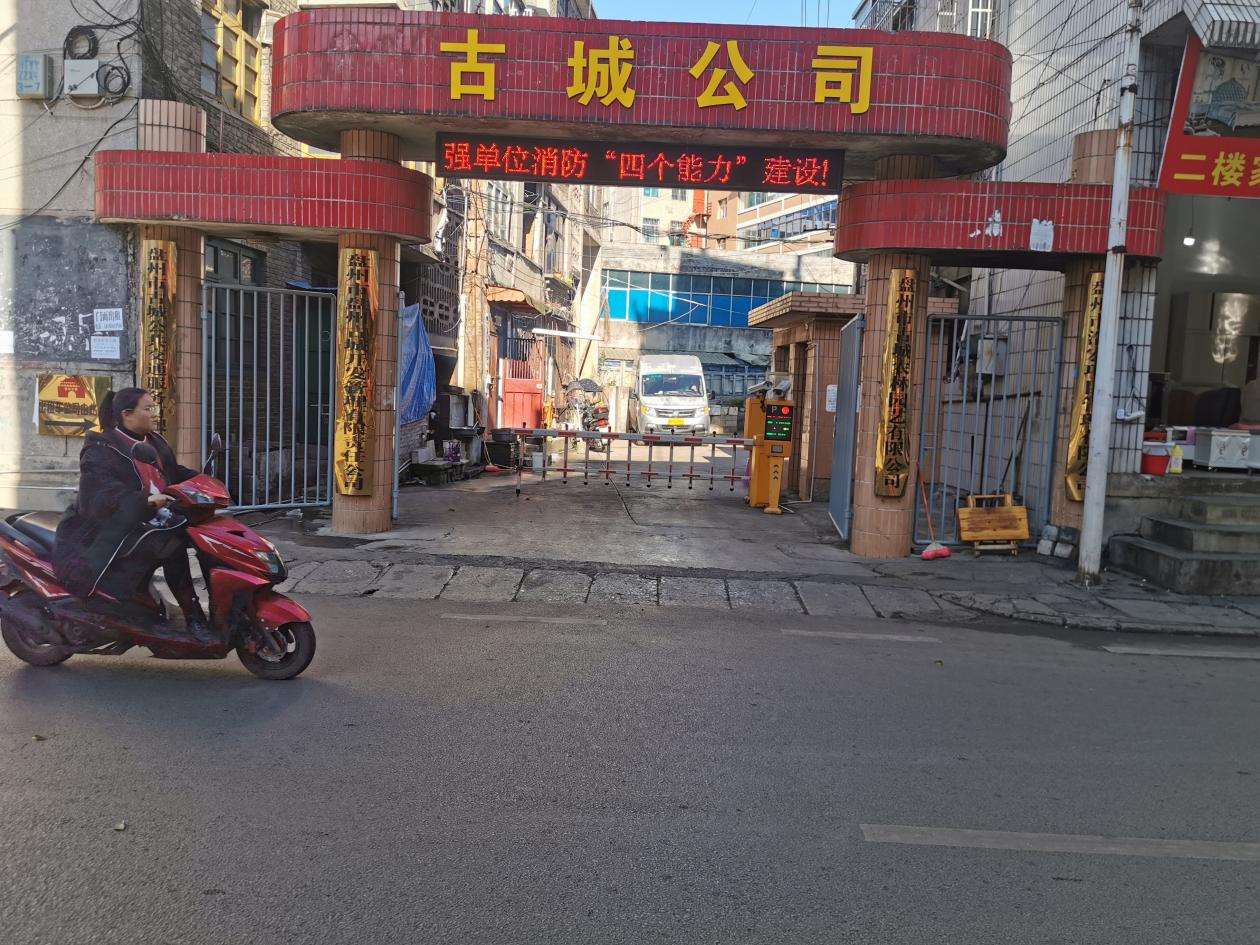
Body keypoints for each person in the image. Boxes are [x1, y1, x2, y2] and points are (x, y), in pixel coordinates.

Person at [52, 388, 214, 643]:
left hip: (152, 520)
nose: (155, 414)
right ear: (127, 414)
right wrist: (144, 501)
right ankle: (193, 617)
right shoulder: (102, 449)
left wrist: (203, 481)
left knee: (200, 538)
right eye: (148, 409)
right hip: (111, 530)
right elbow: (99, 497)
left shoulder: (154, 441)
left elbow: (172, 471)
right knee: (173, 549)